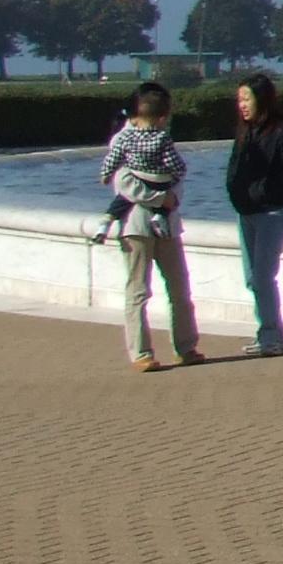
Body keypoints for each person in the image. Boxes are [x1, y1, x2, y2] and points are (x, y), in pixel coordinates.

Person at [99, 84, 198, 370]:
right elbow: (123, 183)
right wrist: (161, 198)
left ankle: (186, 346)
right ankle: (141, 352)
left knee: (180, 287)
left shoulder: (163, 139)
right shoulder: (123, 140)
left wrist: (173, 198)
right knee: (138, 290)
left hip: (168, 224)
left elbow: (177, 174)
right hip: (135, 225)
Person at [224, 71, 283, 357]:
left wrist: (264, 187)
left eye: (247, 99)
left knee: (263, 276)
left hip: (272, 212)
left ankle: (272, 337)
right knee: (252, 278)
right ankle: (269, 335)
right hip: (245, 211)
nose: (242, 105)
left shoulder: (281, 130)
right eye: (239, 100)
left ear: (261, 99)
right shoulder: (245, 131)